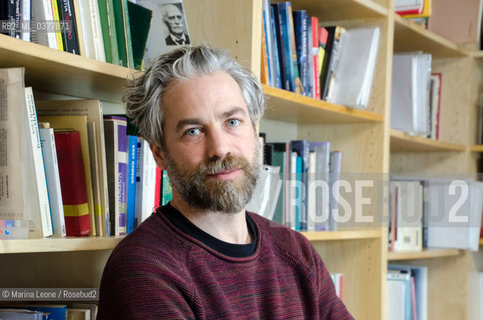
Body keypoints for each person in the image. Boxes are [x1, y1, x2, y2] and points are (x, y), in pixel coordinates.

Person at [97, 45, 354, 320]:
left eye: (232, 122)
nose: (219, 148)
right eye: (193, 131)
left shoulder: (296, 251)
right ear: (159, 153)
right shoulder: (144, 269)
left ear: (255, 132)